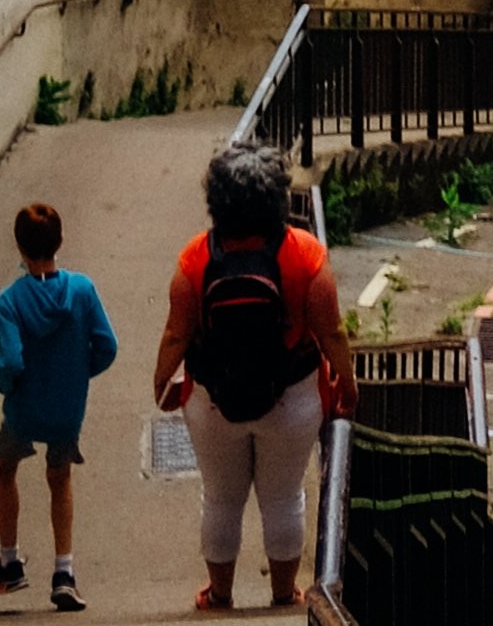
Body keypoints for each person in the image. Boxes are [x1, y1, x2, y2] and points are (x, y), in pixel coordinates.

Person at [151, 136, 353, 615]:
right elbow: (332, 333)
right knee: (283, 497)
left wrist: (162, 383)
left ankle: (219, 595)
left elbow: (177, 334)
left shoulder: (195, 259)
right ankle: (284, 593)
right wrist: (346, 382)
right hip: (292, 395)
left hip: (213, 397)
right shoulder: (306, 255)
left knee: (221, 498)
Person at [0, 194, 113, 607]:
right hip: (67, 410)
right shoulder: (82, 290)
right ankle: (64, 572)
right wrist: (77, 374)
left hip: (25, 409)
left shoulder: (9, 301)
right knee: (60, 478)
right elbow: (107, 346)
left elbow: (11, 361)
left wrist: (5, 385)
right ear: (60, 242)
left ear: (19, 246)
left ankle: (10, 561)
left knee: (4, 467)